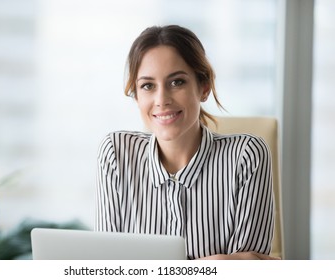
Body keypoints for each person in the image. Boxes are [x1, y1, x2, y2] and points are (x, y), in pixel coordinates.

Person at [95, 25, 276, 260]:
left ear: (204, 87)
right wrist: (219, 262)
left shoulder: (246, 155)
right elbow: (106, 267)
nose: (161, 100)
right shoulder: (115, 154)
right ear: (137, 96)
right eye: (148, 86)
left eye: (177, 82)